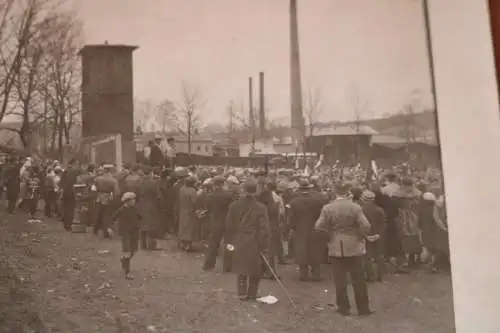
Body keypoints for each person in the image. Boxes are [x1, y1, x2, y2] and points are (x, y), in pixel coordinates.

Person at [315, 182, 373, 316]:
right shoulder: (355, 207)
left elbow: (318, 226)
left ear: (335, 192)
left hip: (336, 245)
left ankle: (343, 307)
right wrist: (360, 235)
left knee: (340, 280)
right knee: (359, 279)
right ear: (347, 192)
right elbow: (366, 225)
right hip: (355, 245)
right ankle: (363, 308)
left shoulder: (328, 208)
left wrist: (329, 234)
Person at [225, 179, 270, 301]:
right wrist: (263, 244)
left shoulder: (234, 205)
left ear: (243, 190)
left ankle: (241, 293)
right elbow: (264, 229)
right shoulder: (261, 207)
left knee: (241, 266)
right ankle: (252, 293)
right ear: (256, 191)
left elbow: (229, 226)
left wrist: (229, 242)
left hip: (239, 239)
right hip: (254, 240)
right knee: (255, 268)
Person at [288, 178, 326, 281]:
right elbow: (321, 216)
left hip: (300, 230)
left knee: (301, 251)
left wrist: (293, 227)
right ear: (309, 189)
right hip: (315, 229)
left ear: (299, 189)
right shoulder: (317, 201)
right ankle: (316, 275)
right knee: (315, 251)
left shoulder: (294, 202)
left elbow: (290, 219)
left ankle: (303, 274)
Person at [203, 176, 234, 272]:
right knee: (229, 243)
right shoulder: (228, 195)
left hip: (215, 221)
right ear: (222, 184)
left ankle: (208, 265)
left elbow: (207, 207)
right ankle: (227, 266)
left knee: (213, 244)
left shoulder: (209, 195)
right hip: (227, 221)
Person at [112, 192, 142, 280]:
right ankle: (127, 273)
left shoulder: (135, 209)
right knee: (127, 251)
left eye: (134, 200)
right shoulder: (121, 210)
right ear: (127, 201)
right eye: (132, 200)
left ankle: (124, 261)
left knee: (133, 250)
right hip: (125, 232)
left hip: (134, 232)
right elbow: (113, 217)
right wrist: (114, 228)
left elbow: (140, 217)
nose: (134, 201)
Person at [360, 190, 387, 282]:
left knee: (367, 256)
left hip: (365, 235)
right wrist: (378, 234)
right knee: (378, 256)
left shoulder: (360, 210)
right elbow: (383, 224)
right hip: (377, 235)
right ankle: (380, 275)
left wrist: (365, 235)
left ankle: (370, 276)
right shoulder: (380, 210)